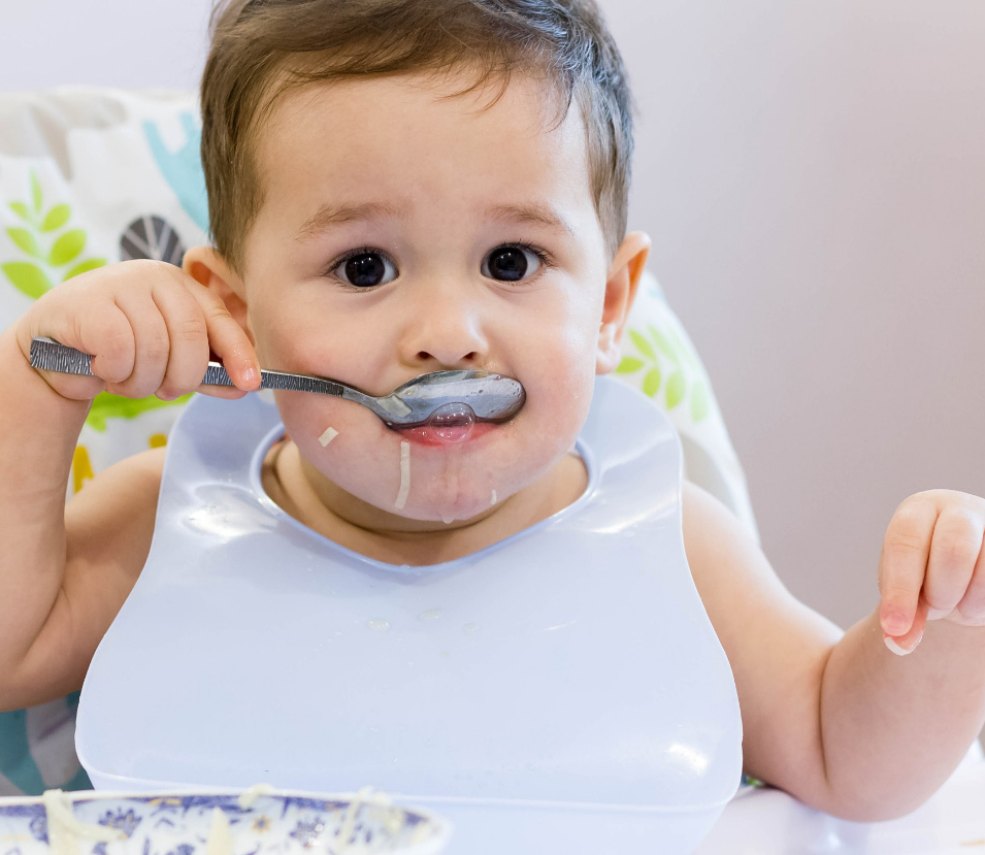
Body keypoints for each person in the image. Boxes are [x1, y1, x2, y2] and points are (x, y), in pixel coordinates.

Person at [1, 0, 984, 831]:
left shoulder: (664, 541)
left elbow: (841, 755)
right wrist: (40, 387)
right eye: (364, 267)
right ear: (234, 306)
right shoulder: (174, 520)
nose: (446, 334)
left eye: (510, 262)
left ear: (607, 307)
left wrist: (945, 620)